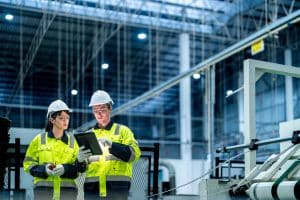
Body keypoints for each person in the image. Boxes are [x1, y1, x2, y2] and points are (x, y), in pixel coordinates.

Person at [23, 100, 91, 200]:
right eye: (61, 118)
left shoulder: (73, 142)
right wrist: (44, 169)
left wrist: (72, 165)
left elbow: (81, 169)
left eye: (67, 118)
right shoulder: (39, 140)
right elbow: (28, 165)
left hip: (67, 193)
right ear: (52, 120)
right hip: (43, 192)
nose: (65, 121)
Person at [84, 90, 141, 200]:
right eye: (95, 110)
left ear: (110, 108)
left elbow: (134, 155)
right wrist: (80, 159)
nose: (99, 114)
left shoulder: (123, 131)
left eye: (102, 110)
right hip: (92, 189)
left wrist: (112, 145)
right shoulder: (88, 135)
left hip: (117, 188)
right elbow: (81, 166)